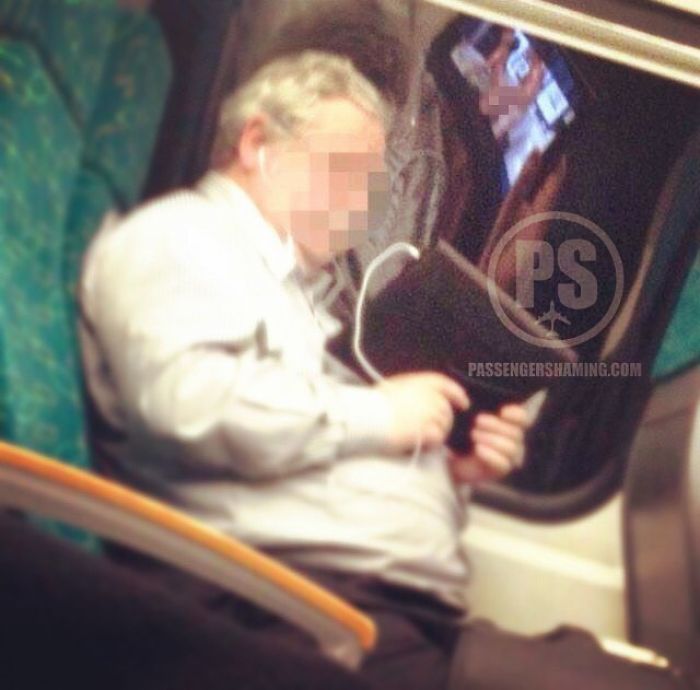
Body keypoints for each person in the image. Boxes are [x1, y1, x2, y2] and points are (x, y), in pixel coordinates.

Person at [78, 50, 531, 690]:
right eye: (342, 170)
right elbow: (187, 408)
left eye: (368, 183)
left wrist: (446, 465)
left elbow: (304, 441)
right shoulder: (181, 237)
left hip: (345, 604)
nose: (358, 203)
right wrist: (380, 415)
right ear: (256, 144)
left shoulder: (293, 292)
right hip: (270, 610)